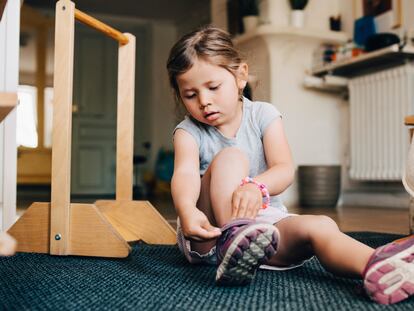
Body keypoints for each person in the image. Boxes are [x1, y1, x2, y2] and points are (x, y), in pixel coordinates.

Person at [167, 25, 414, 305]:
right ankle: (232, 234)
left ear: (240, 76)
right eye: (190, 95)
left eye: (213, 87)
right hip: (208, 234)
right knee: (232, 157)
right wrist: (186, 211)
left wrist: (255, 187)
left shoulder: (263, 114)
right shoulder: (188, 131)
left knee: (320, 226)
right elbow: (185, 174)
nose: (204, 101)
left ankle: (376, 267)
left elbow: (284, 169)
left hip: (261, 232)